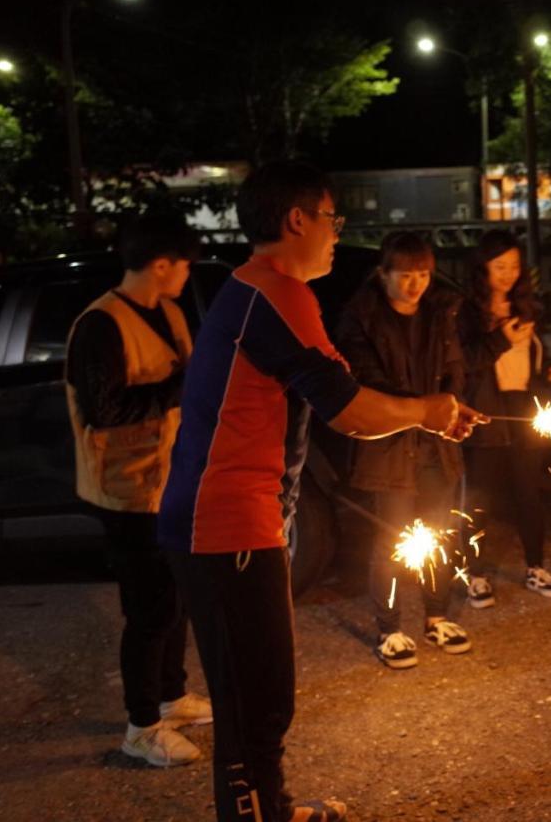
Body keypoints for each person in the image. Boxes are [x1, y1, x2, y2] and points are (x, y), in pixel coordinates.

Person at [158, 161, 481, 822]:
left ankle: (273, 808)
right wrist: (428, 409)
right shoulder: (275, 292)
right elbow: (348, 410)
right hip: (224, 529)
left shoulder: (258, 290)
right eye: (333, 219)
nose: (339, 233)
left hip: (242, 525)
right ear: (297, 219)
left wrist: (431, 408)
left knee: (265, 697)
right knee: (252, 708)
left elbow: (340, 402)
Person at [65, 213, 211, 767]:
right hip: (124, 494)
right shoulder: (99, 325)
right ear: (160, 265)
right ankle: (142, 726)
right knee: (150, 611)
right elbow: (106, 412)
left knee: (177, 601)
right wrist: (180, 387)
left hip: (170, 482)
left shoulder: (169, 311)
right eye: (183, 265)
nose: (186, 276)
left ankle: (172, 697)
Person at [334, 231, 472, 670]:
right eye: (406, 275)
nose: (416, 285)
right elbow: (367, 384)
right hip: (390, 447)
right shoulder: (361, 319)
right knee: (392, 538)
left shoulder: (440, 314)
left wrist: (452, 408)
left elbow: (454, 372)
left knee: (439, 533)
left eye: (424, 275)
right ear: (383, 274)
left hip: (435, 447)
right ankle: (389, 627)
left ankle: (437, 615)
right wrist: (420, 410)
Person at [457, 230, 551, 607]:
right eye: (499, 265)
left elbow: (531, 357)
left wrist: (548, 370)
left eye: (514, 266)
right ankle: (474, 575)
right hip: (485, 410)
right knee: (478, 497)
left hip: (522, 408)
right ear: (483, 267)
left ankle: (535, 567)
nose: (508, 273)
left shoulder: (527, 308)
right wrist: (501, 338)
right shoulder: (468, 313)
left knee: (528, 492)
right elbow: (467, 363)